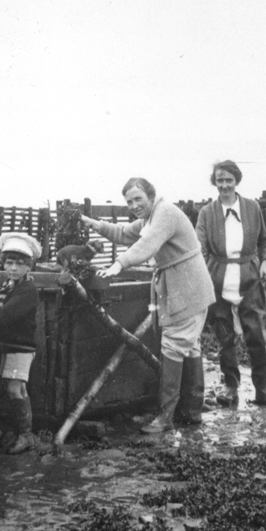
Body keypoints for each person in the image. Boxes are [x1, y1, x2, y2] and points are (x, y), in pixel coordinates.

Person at [80, 177, 216, 433]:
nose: (133, 205)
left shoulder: (164, 214)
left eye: (138, 199)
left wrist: (119, 264)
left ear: (151, 196)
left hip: (188, 288)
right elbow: (124, 233)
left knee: (174, 344)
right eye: (129, 201)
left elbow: (146, 244)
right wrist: (93, 224)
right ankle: (192, 412)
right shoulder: (150, 217)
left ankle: (166, 416)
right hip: (187, 287)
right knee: (189, 345)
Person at [195, 160, 266, 407]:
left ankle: (262, 388)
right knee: (224, 337)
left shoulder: (252, 208)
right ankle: (230, 386)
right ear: (215, 183)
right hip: (218, 281)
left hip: (249, 279)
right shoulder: (206, 213)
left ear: (236, 181)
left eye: (228, 180)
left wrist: (264, 263)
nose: (224, 185)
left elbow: (264, 241)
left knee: (256, 336)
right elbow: (198, 246)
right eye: (219, 180)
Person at [0, 232, 42, 453]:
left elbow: (9, 312)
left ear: (29, 267)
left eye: (19, 264)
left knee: (14, 389)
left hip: (20, 347)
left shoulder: (28, 290)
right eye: (9, 263)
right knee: (18, 388)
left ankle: (26, 435)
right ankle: (24, 431)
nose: (13, 268)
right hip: (11, 346)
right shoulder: (8, 286)